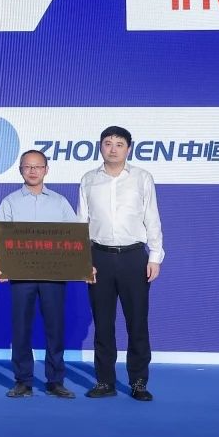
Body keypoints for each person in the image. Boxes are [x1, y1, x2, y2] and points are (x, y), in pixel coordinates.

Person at [78, 125, 164, 402]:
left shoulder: (142, 178)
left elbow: (152, 218)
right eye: (108, 143)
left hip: (133, 258)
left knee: (137, 323)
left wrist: (155, 256)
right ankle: (105, 381)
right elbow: (81, 223)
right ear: (100, 147)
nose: (113, 149)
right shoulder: (89, 179)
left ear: (128, 148)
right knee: (103, 324)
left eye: (119, 144)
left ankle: (139, 382)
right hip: (99, 258)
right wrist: (83, 261)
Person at [0, 150, 81, 399]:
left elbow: (76, 237)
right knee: (21, 328)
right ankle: (23, 381)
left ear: (46, 170)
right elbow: (0, 236)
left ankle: (55, 380)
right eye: (27, 167)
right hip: (21, 274)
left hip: (53, 274)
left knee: (55, 327)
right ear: (20, 170)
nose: (32, 171)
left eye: (38, 166)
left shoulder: (59, 202)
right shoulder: (10, 201)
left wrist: (83, 266)